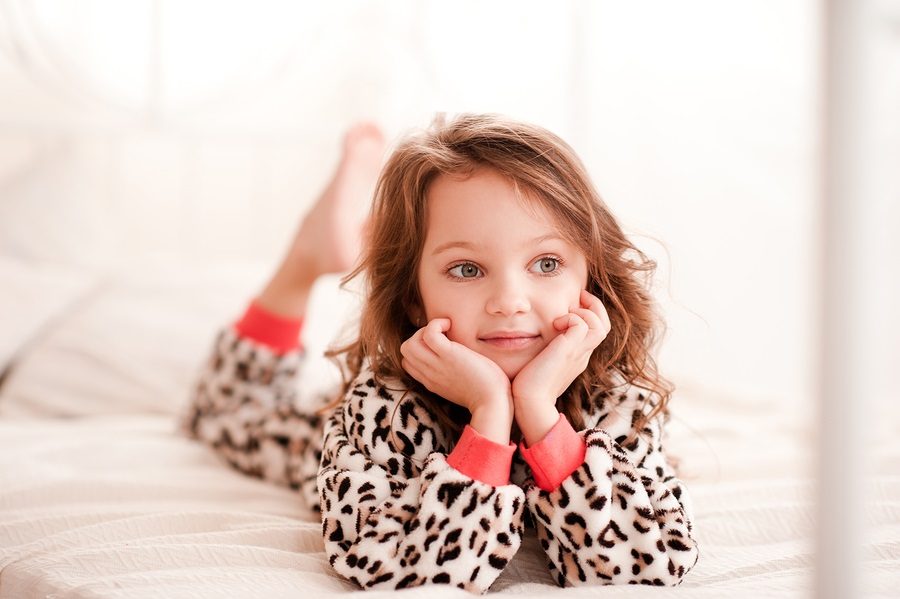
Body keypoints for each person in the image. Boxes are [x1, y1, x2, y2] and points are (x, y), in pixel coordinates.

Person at [182, 114, 699, 593]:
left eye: (545, 263)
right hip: (318, 438)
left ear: (590, 276)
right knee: (228, 412)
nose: (509, 303)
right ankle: (307, 256)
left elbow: (640, 570)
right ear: (414, 296)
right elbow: (407, 574)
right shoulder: (382, 406)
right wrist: (490, 414)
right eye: (467, 270)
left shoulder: (616, 397)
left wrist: (539, 410)